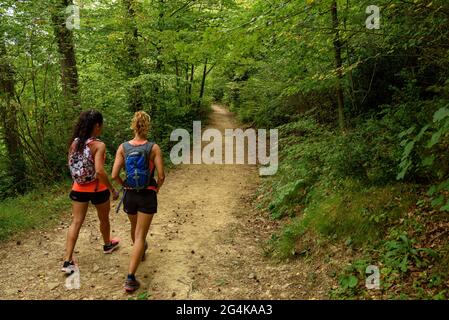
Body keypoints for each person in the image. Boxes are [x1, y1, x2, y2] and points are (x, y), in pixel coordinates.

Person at [112, 111, 165, 293]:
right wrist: (156, 188)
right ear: (147, 126)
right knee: (141, 235)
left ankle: (139, 251)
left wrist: (124, 186)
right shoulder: (153, 148)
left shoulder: (123, 147)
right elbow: (162, 175)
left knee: (135, 230)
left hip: (130, 195)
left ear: (133, 126)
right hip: (147, 194)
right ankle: (130, 277)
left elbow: (114, 175)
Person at [61, 110, 120, 274]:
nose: (101, 128)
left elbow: (71, 165)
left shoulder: (74, 143)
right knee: (104, 219)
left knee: (76, 222)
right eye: (101, 125)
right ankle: (107, 244)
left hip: (78, 188)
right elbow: (100, 171)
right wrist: (112, 189)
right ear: (96, 125)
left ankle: (67, 261)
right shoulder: (98, 145)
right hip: (98, 188)